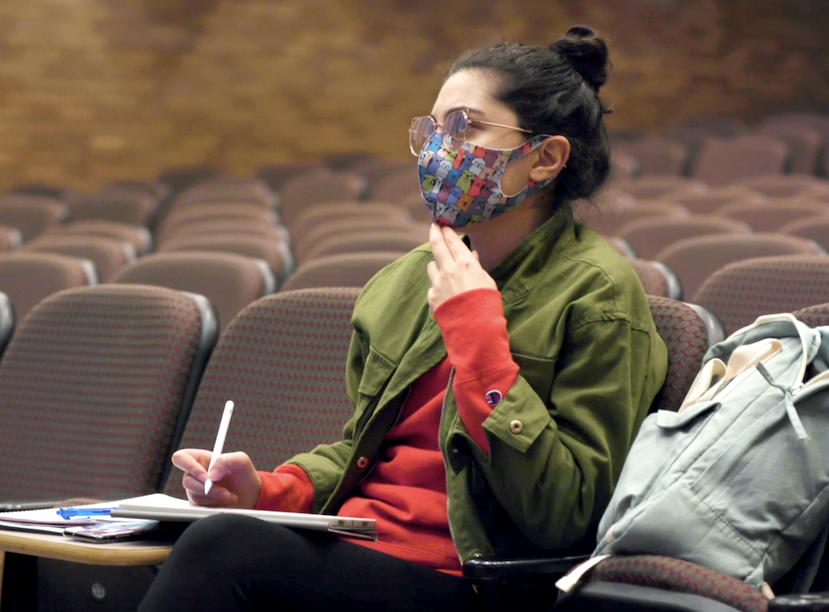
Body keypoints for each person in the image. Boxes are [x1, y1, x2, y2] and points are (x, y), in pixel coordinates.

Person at [137, 25, 667, 612]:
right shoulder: (403, 282)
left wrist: (480, 343)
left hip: (472, 578)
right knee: (186, 542)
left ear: (544, 158)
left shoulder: (600, 296)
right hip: (359, 548)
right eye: (433, 129)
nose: (441, 148)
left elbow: (566, 515)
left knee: (224, 551)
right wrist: (267, 488)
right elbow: (364, 450)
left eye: (464, 127)